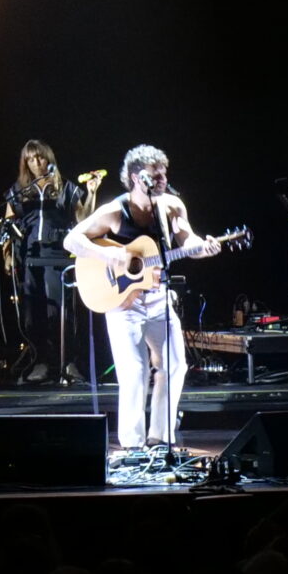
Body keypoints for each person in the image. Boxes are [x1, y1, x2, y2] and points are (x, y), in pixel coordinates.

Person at [63, 144, 218, 450]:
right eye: (154, 174)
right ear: (136, 178)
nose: (161, 178)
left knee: (174, 365)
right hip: (124, 303)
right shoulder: (115, 211)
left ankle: (160, 438)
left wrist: (206, 246)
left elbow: (188, 240)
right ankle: (133, 445)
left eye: (163, 173)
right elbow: (73, 239)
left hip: (159, 297)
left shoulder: (171, 206)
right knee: (134, 371)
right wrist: (111, 257)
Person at [3, 139, 100, 383]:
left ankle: (67, 363)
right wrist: (7, 255)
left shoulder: (65, 188)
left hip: (57, 256)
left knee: (60, 312)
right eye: (31, 159)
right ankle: (41, 362)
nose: (36, 163)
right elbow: (8, 224)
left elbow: (84, 219)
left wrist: (92, 193)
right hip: (29, 256)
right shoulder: (19, 190)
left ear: (49, 158)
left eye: (40, 157)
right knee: (32, 313)